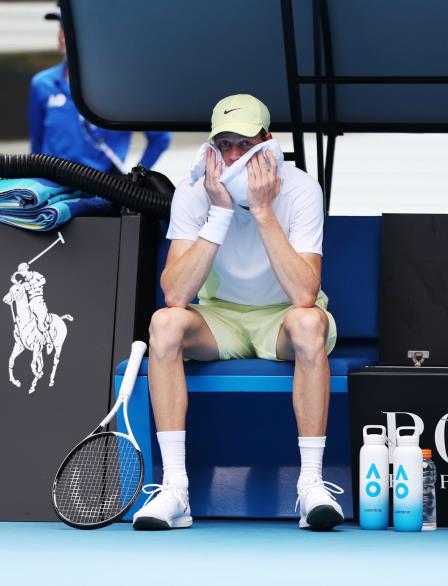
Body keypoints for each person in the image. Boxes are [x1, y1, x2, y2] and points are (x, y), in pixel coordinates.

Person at [132, 94, 343, 532]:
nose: (232, 156)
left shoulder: (302, 189)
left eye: (244, 144)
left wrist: (263, 211)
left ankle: (311, 485)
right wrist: (220, 213)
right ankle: (175, 490)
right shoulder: (194, 192)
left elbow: (304, 293)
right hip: (221, 320)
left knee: (309, 324)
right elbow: (175, 294)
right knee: (164, 324)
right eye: (224, 144)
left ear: (268, 144)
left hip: (283, 318)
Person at [29, 8, 171, 173]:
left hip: (99, 187)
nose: (62, 34)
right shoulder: (41, 83)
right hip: (52, 186)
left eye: (70, 26)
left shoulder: (125, 87)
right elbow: (36, 145)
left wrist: (135, 177)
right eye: (61, 26)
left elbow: (160, 138)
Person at [16, 262, 53, 353]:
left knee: (40, 323)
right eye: (20, 271)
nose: (21, 272)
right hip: (30, 303)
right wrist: (14, 280)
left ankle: (49, 341)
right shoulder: (24, 282)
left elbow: (44, 280)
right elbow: (19, 288)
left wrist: (32, 286)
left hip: (39, 301)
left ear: (26, 269)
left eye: (22, 270)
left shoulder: (35, 274)